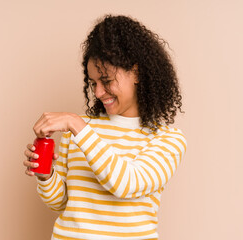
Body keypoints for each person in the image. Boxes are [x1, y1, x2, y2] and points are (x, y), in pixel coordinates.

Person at [23, 14, 187, 240]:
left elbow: (126, 184)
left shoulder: (168, 139)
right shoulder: (80, 132)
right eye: (93, 84)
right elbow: (60, 204)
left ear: (137, 73)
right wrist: (46, 175)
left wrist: (76, 124)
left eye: (106, 81)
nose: (98, 93)